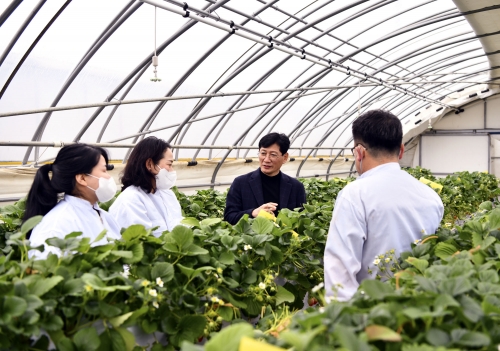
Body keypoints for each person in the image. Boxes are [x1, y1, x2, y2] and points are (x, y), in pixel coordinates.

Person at [324, 110, 444, 301]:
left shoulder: (355, 194)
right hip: (419, 307)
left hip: (371, 313)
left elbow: (339, 270)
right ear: (401, 150)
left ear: (359, 152)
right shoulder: (430, 196)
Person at [25, 144, 121, 259]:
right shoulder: (55, 227)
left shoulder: (103, 215)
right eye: (104, 170)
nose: (109, 178)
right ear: (82, 178)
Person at [224, 132, 306, 225]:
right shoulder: (241, 183)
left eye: (273, 154)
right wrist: (253, 213)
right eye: (263, 153)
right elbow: (229, 217)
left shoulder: (296, 187)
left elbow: (301, 221)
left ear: (285, 157)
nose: (266, 159)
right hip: (250, 239)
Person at [109, 136, 183, 237]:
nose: (172, 170)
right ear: (149, 164)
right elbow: (141, 243)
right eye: (169, 164)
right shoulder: (131, 200)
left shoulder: (167, 194)